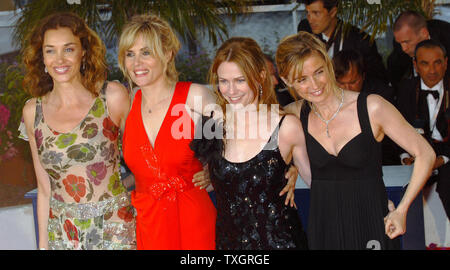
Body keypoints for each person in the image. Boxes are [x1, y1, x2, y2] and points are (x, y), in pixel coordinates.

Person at [276, 31, 435, 250]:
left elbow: (425, 153)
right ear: (286, 80)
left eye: (319, 72)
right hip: (324, 230)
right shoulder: (293, 116)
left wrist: (401, 210)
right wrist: (292, 167)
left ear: (328, 65)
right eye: (302, 79)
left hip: (372, 226)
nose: (314, 85)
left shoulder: (372, 107)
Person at [19, 12, 136, 250]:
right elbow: (44, 190)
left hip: (115, 230)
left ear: (83, 52)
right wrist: (43, 246)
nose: (59, 59)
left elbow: (146, 159)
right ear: (42, 56)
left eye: (68, 49)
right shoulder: (33, 111)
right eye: (50, 50)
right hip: (63, 234)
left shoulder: (111, 97)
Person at [191, 37, 310, 250]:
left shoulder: (286, 126)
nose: (230, 90)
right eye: (223, 81)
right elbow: (215, 182)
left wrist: (292, 169)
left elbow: (319, 182)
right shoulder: (212, 124)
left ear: (260, 76)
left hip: (281, 243)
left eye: (240, 80)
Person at [117, 14, 216, 250]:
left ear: (168, 53)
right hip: (148, 224)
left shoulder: (195, 98)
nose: (136, 63)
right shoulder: (125, 104)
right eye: (130, 54)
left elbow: (236, 150)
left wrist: (214, 172)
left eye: (146, 52)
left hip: (194, 221)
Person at [396, 39, 450, 219]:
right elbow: (395, 129)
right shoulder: (405, 90)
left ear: (446, 63)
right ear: (416, 65)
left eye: (437, 63)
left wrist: (440, 160)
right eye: (425, 64)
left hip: (446, 159)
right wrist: (405, 157)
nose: (432, 70)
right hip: (414, 157)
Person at [297, 0, 387, 83]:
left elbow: (378, 81)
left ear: (333, 12)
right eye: (307, 13)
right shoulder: (306, 32)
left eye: (316, 13)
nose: (310, 19)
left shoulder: (361, 41)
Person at [387, 10, 450, 90]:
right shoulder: (399, 47)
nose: (404, 49)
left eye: (406, 42)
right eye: (400, 43)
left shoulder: (446, 37)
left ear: (424, 33)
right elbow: (395, 77)